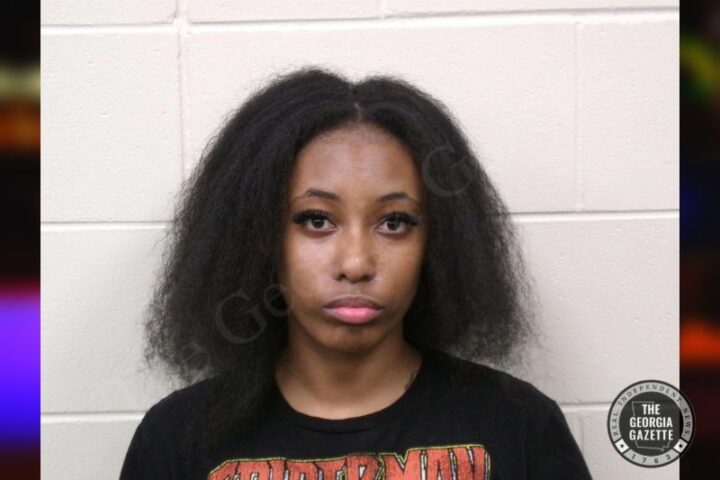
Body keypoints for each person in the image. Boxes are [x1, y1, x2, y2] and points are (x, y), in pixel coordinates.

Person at [119, 67, 593, 480]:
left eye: (394, 223)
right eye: (316, 220)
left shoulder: (517, 426)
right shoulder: (178, 439)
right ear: (259, 236)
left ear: (438, 244)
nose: (356, 264)